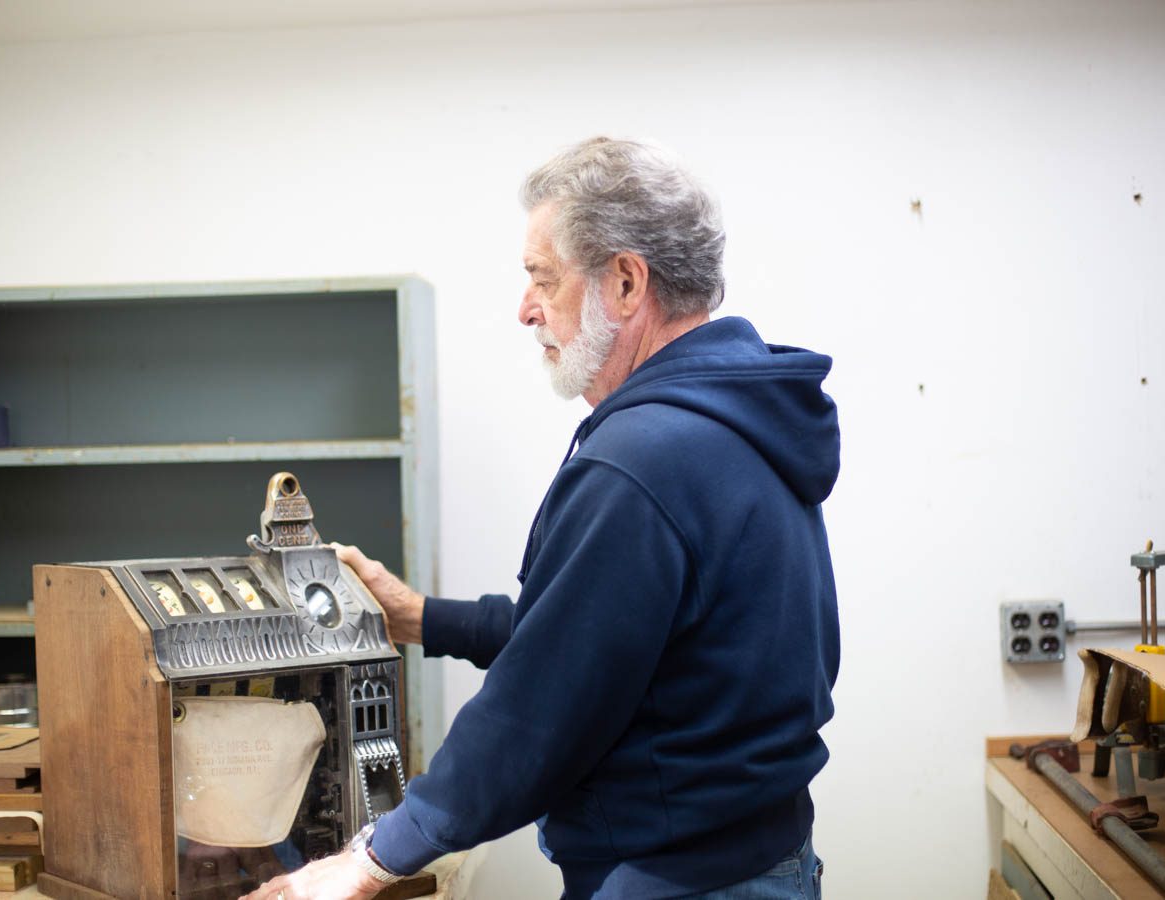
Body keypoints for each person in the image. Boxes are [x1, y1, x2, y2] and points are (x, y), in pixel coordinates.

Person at [245, 137, 841, 900]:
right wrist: (420, 617)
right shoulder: (740, 421)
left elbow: (538, 709)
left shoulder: (641, 460)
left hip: (678, 883)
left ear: (626, 282)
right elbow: (602, 638)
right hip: (762, 861)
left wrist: (370, 859)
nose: (526, 308)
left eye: (543, 279)